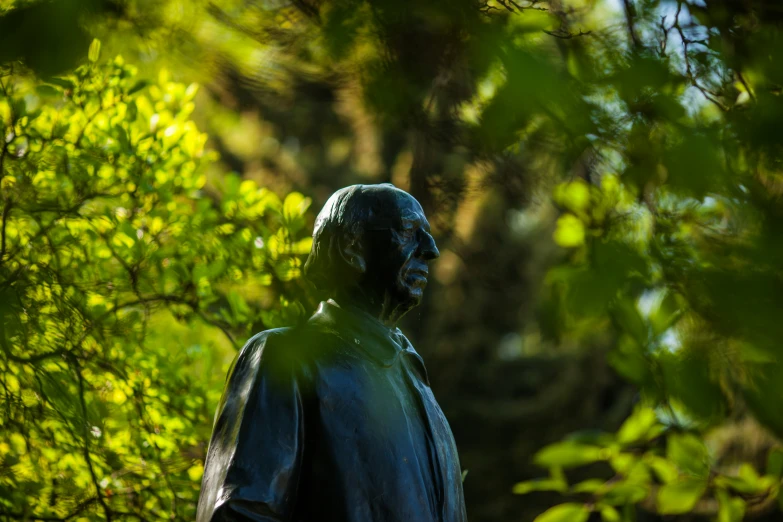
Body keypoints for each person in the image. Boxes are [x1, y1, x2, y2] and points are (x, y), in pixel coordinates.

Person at [196, 183, 467, 522]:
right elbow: (241, 512)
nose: (431, 250)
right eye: (409, 232)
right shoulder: (284, 359)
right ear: (352, 246)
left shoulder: (415, 380)